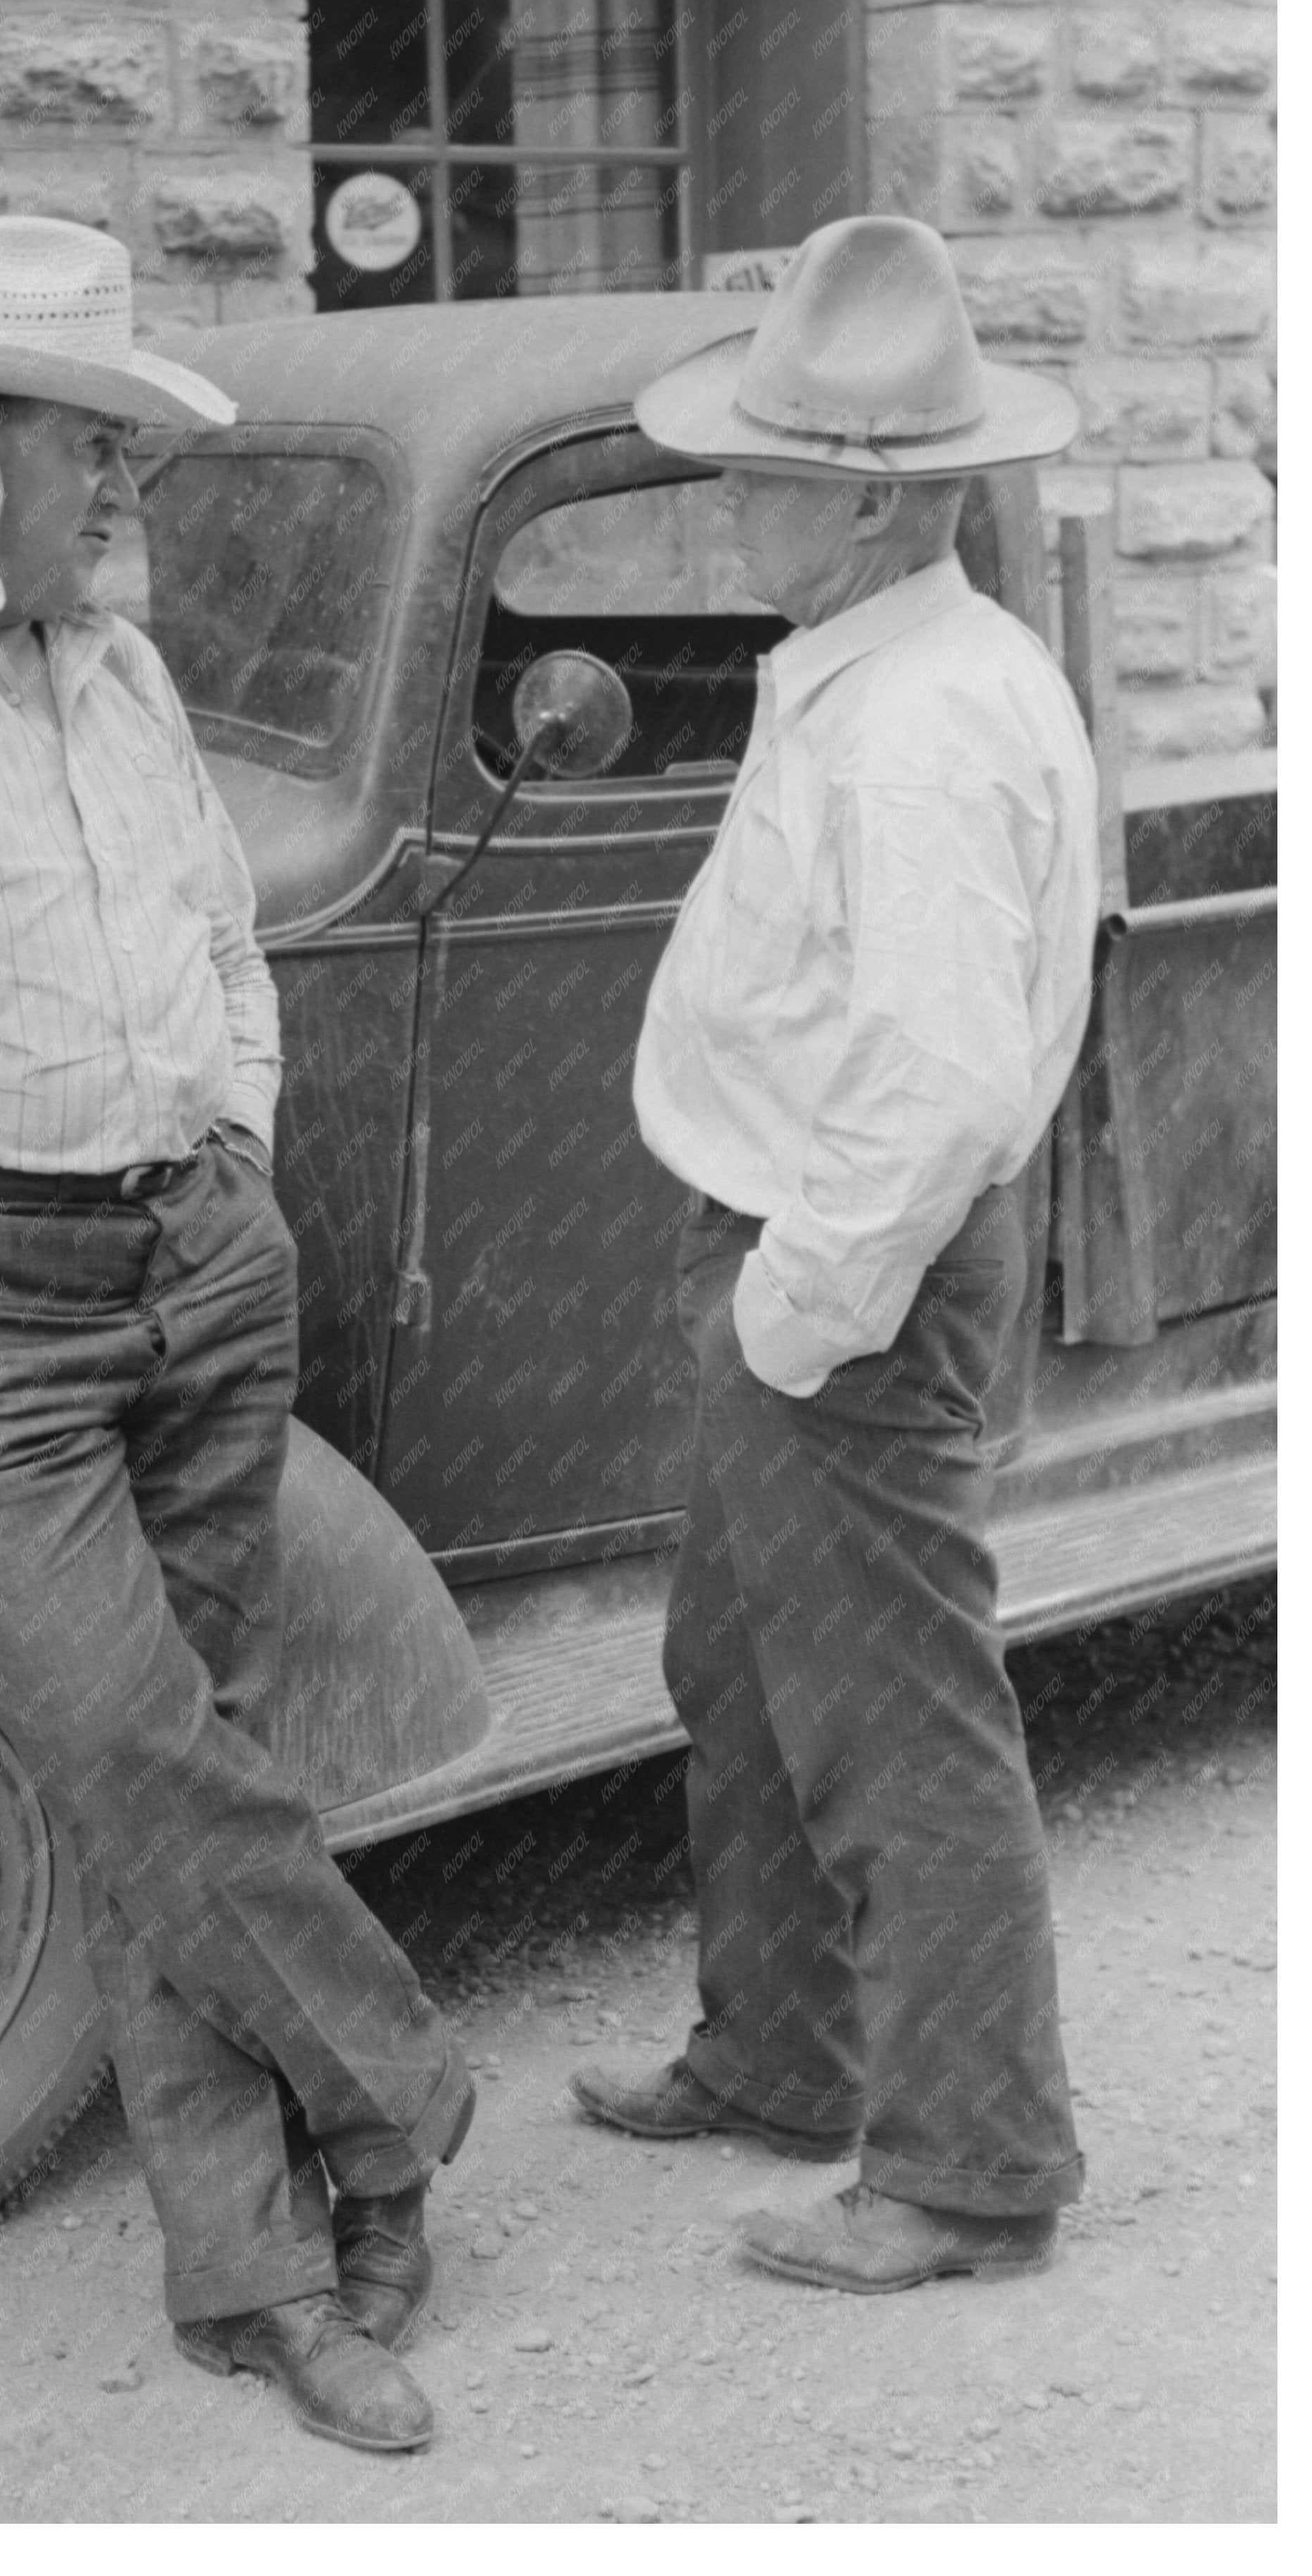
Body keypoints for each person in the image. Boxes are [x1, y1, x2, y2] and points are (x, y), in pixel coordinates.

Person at [0, 217, 472, 2449]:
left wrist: (229, 1131)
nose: (133, 489)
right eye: (88, 445)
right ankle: (399, 2093)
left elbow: (219, 935)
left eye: (136, 445)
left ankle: (258, 2271)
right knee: (141, 1749)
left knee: (193, 1741)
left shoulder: (111, 669)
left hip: (189, 1256)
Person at [570, 215, 1096, 2292]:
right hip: (800, 1243)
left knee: (892, 1716)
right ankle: (782, 2047)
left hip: (838, 1268)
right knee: (746, 1666)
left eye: (765, 468)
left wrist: (791, 1302)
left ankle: (967, 2167)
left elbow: (939, 1074)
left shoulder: (916, 723)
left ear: (871, 498)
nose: (731, 496)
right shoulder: (891, 672)